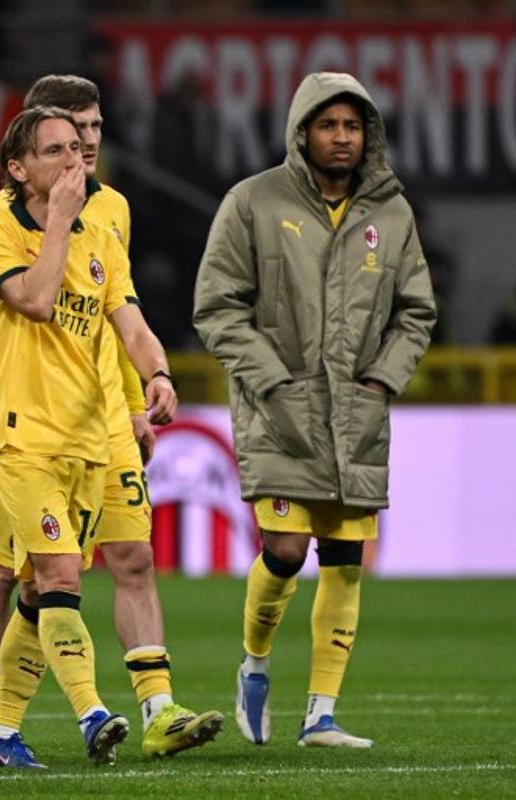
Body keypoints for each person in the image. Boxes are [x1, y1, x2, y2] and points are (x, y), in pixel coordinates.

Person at [0, 74, 223, 762]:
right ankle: (82, 712)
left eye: (81, 147)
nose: (76, 161)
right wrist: (58, 221)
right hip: (23, 434)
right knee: (33, 577)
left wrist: (155, 377)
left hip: (91, 432)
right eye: (56, 150)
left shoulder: (104, 229)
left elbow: (129, 319)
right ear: (18, 168)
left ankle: (12, 730)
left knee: (87, 574)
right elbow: (41, 301)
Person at [193, 71, 436, 748]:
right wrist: (272, 381)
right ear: (302, 131)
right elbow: (216, 307)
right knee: (285, 548)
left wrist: (383, 381)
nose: (341, 138)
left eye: (352, 127)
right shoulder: (253, 201)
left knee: (347, 555)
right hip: (280, 411)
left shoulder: (391, 213)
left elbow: (417, 312)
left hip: (356, 414)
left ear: (369, 135)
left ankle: (321, 713)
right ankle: (256, 665)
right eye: (328, 125)